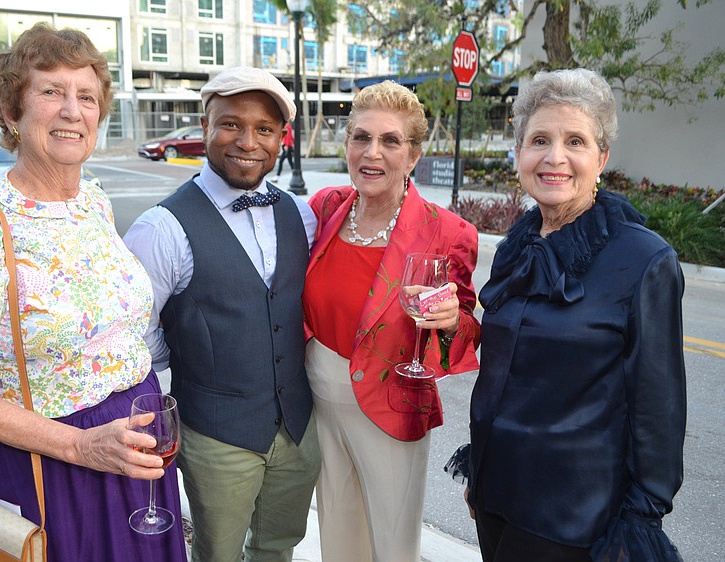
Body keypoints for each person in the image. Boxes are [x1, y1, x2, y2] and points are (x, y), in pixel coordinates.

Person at [0, 23, 187, 561]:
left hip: (138, 447)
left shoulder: (94, 202)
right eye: (50, 91)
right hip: (58, 458)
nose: (72, 110)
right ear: (12, 113)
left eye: (86, 96)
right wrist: (81, 446)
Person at [465, 68, 686, 561]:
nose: (555, 157)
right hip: (495, 495)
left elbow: (659, 414)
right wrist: (481, 468)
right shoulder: (516, 248)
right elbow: (501, 372)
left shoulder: (646, 261)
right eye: (539, 139)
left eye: (575, 141)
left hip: (575, 521)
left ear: (601, 158)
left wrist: (639, 520)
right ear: (519, 154)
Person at [124, 66, 321, 562]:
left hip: (297, 428)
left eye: (264, 129)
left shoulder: (301, 213)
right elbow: (136, 342)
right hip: (215, 434)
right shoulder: (161, 228)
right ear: (206, 127)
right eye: (231, 124)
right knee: (218, 554)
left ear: (281, 138)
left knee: (279, 546)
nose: (247, 141)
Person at [302, 80, 481, 561]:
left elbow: (467, 330)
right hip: (319, 396)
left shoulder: (448, 231)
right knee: (337, 533)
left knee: (393, 542)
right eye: (361, 137)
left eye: (390, 140)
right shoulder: (327, 209)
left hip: (392, 401)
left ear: (414, 154)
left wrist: (448, 322)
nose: (372, 152)